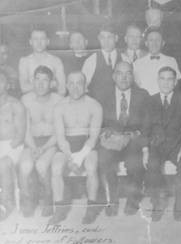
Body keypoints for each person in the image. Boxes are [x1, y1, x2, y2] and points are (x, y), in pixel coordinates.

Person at [49, 71, 102, 225]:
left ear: (85, 86)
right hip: (67, 144)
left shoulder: (94, 105)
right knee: (56, 167)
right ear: (66, 86)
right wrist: (70, 157)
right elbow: (60, 137)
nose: (75, 87)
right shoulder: (59, 107)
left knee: (91, 166)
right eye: (71, 83)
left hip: (87, 143)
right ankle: (59, 210)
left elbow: (93, 137)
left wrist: (79, 158)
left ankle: (91, 208)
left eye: (79, 83)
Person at [143, 66, 181, 222]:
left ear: (175, 82)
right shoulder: (150, 101)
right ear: (158, 81)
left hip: (176, 145)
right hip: (156, 145)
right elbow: (145, 128)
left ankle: (179, 206)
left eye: (170, 79)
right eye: (163, 79)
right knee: (151, 165)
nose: (166, 83)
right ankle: (158, 203)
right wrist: (145, 150)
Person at [98, 61, 149, 216]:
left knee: (135, 163)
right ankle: (112, 200)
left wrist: (137, 137)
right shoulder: (103, 94)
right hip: (111, 140)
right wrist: (106, 134)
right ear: (114, 76)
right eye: (120, 73)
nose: (124, 78)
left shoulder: (142, 95)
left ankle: (133, 199)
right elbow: (97, 122)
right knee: (104, 159)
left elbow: (147, 125)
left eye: (128, 74)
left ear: (133, 76)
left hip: (132, 140)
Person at [20, 66, 63, 217]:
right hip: (30, 141)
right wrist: (33, 147)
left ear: (52, 83)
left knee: (42, 165)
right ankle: (27, 200)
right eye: (37, 79)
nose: (40, 83)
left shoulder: (59, 100)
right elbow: (24, 129)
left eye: (45, 80)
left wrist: (44, 148)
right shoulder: (25, 100)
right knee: (25, 165)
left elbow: (59, 132)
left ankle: (47, 200)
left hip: (51, 142)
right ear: (32, 81)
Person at [0, 71, 26, 221]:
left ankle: (6, 204)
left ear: (7, 85)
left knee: (3, 164)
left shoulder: (16, 105)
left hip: (13, 146)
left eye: (0, 81)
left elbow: (20, 137)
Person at [133, 27, 181, 96]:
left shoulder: (171, 61)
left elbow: (176, 83)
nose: (154, 43)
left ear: (163, 43)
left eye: (158, 40)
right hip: (145, 102)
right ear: (146, 43)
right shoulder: (137, 63)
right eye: (151, 40)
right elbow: (137, 87)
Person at [82, 24, 121, 105]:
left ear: (116, 38)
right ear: (98, 39)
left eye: (109, 37)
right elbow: (83, 87)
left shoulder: (125, 59)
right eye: (102, 37)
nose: (106, 41)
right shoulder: (91, 61)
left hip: (120, 107)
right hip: (98, 107)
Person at [19, 29, 66, 96]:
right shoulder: (24, 61)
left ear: (47, 41)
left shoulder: (56, 61)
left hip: (52, 101)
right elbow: (23, 88)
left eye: (42, 39)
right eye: (35, 39)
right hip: (31, 101)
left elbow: (62, 89)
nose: (39, 43)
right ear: (30, 42)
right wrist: (49, 84)